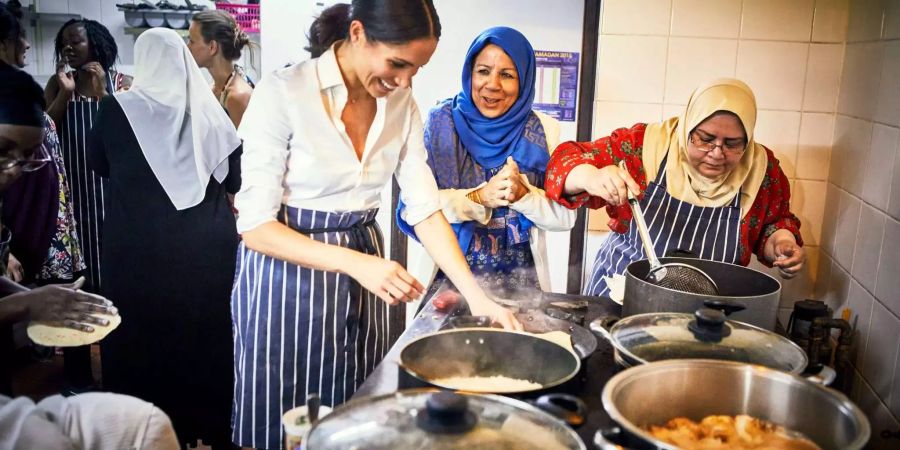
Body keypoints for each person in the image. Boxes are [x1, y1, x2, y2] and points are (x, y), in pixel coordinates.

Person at [232, 1, 520, 447]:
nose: (405, 81)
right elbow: (255, 227)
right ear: (359, 33)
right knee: (287, 420)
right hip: (287, 276)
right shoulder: (285, 92)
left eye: (417, 70)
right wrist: (356, 263)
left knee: (360, 409)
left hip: (365, 269)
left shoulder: (400, 102)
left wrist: (477, 297)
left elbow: (424, 207)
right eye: (398, 63)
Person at [87, 28, 242, 449]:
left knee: (141, 336)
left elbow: (97, 163)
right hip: (206, 250)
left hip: (138, 249)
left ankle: (143, 432)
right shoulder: (210, 112)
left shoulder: (116, 108)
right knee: (206, 335)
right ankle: (210, 427)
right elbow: (235, 180)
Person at [544, 78, 805, 297]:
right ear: (688, 127)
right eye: (705, 139)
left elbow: (773, 223)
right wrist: (591, 177)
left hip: (705, 310)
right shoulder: (642, 147)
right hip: (622, 294)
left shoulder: (761, 169)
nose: (716, 153)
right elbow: (562, 162)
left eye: (732, 143)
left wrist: (782, 243)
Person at [400, 27, 574, 297]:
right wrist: (479, 197)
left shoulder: (544, 130)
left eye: (507, 75)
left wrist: (525, 195)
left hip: (522, 284)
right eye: (483, 71)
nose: (492, 84)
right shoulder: (440, 122)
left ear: (525, 80)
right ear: (470, 73)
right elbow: (415, 208)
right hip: (448, 282)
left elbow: (565, 218)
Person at [0, 2, 85, 287]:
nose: (26, 44)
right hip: (19, 232)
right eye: (19, 37)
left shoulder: (20, 91)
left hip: (42, 228)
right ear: (3, 44)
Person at [44, 18, 131, 294]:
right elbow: (45, 132)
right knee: (83, 265)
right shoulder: (58, 85)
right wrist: (65, 94)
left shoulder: (121, 83)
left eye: (76, 41)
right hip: (74, 192)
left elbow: (131, 134)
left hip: (113, 191)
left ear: (94, 44)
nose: (68, 48)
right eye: (64, 43)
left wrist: (102, 94)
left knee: (118, 261)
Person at [187, 9, 255, 128]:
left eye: (192, 41)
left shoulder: (237, 97)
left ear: (212, 47)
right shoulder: (216, 86)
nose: (187, 47)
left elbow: (249, 146)